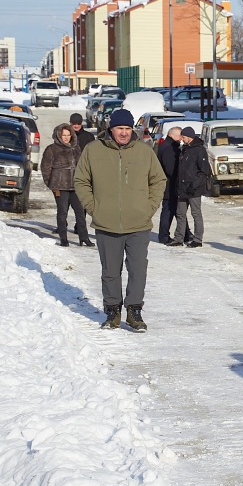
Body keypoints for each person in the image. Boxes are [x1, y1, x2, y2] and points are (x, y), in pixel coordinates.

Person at [74, 108, 167, 332]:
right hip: (106, 223)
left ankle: (134, 310)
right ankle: (112, 310)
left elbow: (158, 180)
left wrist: (148, 208)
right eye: (119, 129)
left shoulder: (144, 151)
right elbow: (81, 180)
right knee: (110, 271)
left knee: (138, 269)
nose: (124, 133)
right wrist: (94, 208)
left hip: (138, 223)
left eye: (127, 128)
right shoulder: (93, 150)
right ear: (111, 129)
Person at [41, 123, 92, 247]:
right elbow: (45, 168)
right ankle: (63, 238)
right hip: (60, 187)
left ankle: (84, 238)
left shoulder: (76, 148)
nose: (66, 137)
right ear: (59, 135)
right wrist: (51, 184)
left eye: (68, 135)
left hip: (75, 187)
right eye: (64, 135)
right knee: (62, 212)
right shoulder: (51, 149)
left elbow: (81, 166)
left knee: (80, 212)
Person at [171, 126, 210, 248]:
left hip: (194, 189)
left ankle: (198, 239)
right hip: (183, 187)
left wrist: (194, 186)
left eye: (183, 137)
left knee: (196, 213)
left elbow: (204, 171)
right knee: (180, 213)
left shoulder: (199, 150)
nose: (181, 139)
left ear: (189, 137)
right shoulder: (185, 149)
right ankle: (179, 238)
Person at [155, 126, 185, 244]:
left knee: (178, 210)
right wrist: (179, 177)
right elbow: (170, 168)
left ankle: (186, 233)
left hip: (171, 184)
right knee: (168, 210)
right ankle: (163, 236)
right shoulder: (169, 147)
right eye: (179, 136)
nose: (181, 139)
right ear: (173, 135)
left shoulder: (170, 145)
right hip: (170, 185)